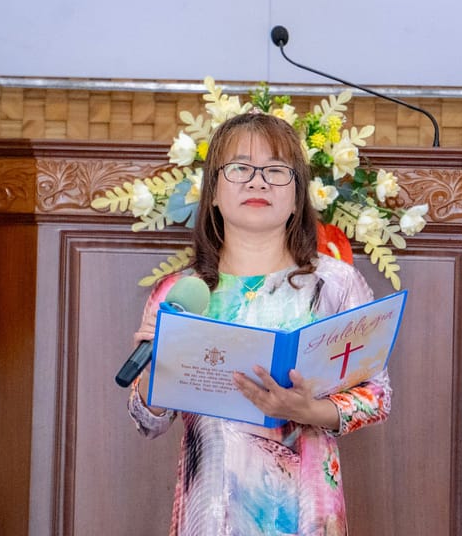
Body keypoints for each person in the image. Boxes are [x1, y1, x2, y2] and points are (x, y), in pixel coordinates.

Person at [127, 112, 392, 535]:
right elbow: (149, 420)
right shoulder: (182, 291)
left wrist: (307, 410)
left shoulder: (334, 284)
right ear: (213, 192)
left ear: (297, 196)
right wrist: (154, 371)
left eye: (276, 170)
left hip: (305, 511)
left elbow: (377, 396)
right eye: (240, 168)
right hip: (210, 508)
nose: (258, 182)